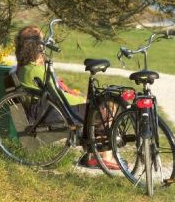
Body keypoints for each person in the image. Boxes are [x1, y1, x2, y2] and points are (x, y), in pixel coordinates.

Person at [15, 26, 119, 169]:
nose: (44, 45)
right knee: (106, 110)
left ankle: (95, 156)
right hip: (49, 113)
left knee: (97, 109)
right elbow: (57, 96)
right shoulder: (34, 70)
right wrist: (82, 100)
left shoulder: (26, 67)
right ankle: (102, 157)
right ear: (35, 47)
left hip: (45, 110)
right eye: (42, 41)